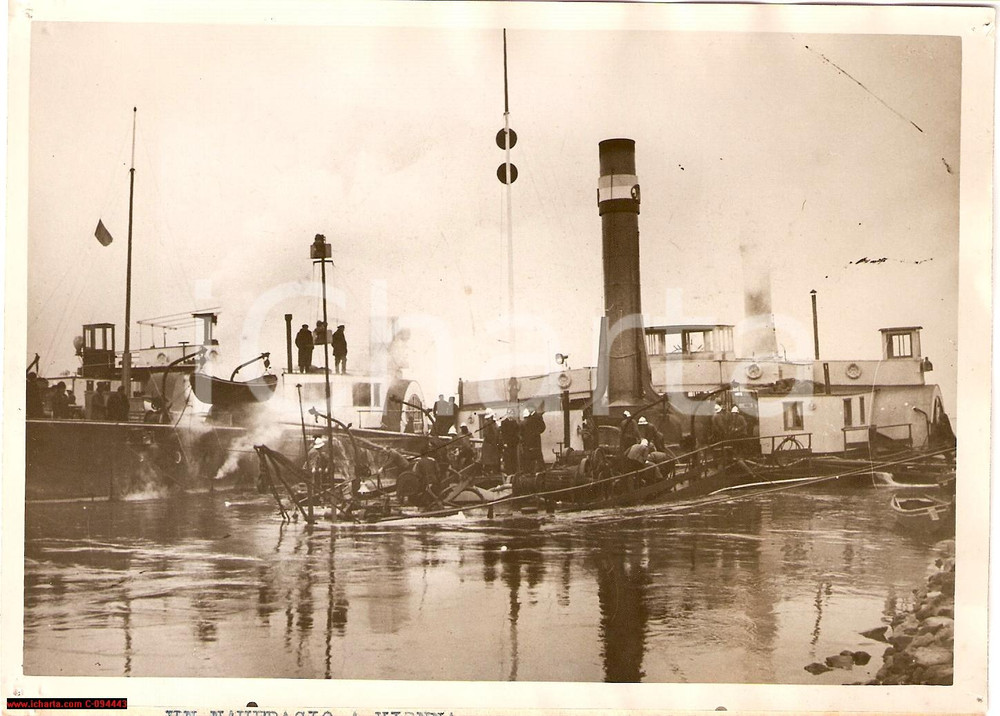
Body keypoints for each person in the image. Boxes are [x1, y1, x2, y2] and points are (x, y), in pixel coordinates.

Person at [520, 408, 545, 473]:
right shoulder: (536, 420)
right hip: (535, 442)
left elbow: (520, 434)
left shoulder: (523, 423)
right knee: (538, 458)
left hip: (528, 444)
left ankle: (529, 472)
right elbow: (542, 428)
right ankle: (540, 471)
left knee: (529, 460)